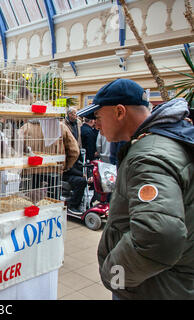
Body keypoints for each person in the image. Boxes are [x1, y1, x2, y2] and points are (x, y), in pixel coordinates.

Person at [77, 78, 194, 300]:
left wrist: (114, 276)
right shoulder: (170, 139)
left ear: (120, 112)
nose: (96, 124)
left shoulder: (149, 156)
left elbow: (160, 234)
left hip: (151, 288)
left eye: (98, 117)